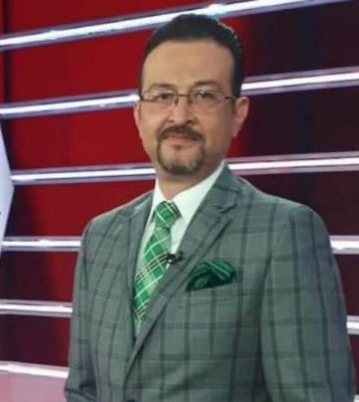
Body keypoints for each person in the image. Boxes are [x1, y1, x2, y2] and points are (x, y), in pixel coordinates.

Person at [64, 14, 355, 402]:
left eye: (203, 95)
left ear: (237, 114)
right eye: (163, 96)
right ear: (138, 114)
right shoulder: (100, 237)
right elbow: (82, 390)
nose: (179, 116)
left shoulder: (284, 232)